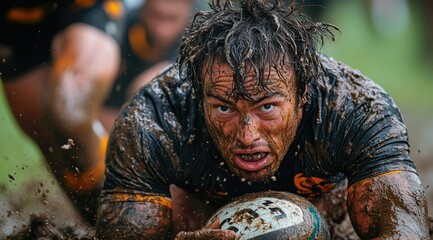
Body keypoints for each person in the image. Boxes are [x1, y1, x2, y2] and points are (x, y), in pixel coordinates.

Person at [96, 0, 430, 239]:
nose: (247, 135)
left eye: (266, 107)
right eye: (225, 108)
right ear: (198, 97)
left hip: (325, 213)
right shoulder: (154, 119)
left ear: (303, 96)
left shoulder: (356, 107)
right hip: (197, 216)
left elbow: (403, 229)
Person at [0, 0, 126, 224]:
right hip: (13, 27)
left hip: (82, 6)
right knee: (57, 147)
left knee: (70, 108)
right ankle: (105, 225)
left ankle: (130, 206)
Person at [100, 0, 194, 130]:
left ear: (188, 11)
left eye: (172, 19)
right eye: (155, 15)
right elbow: (105, 109)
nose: (162, 30)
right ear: (144, 7)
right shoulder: (122, 29)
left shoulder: (198, 38)